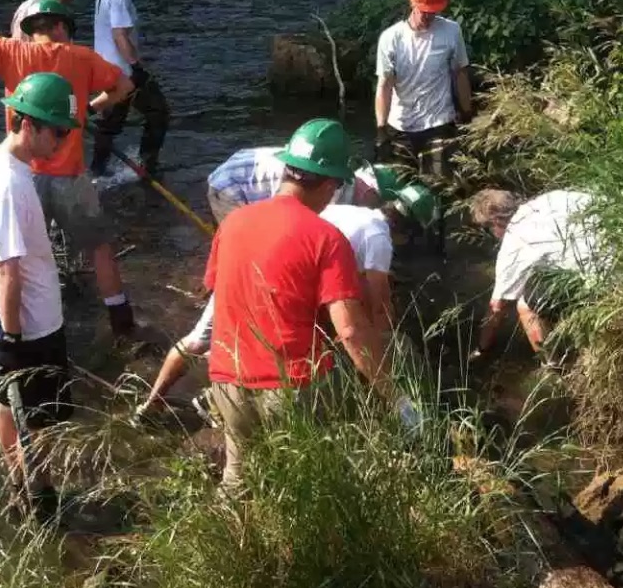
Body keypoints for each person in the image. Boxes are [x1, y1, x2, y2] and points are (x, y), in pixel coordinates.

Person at [197, 118, 408, 489]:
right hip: (292, 390)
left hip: (226, 381)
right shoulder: (326, 238)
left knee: (238, 480)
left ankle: (237, 541)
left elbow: (218, 289)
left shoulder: (232, 223)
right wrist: (395, 396)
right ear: (329, 184)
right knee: (311, 480)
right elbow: (351, 330)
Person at [136, 178, 438, 417]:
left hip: (250, 265)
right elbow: (379, 308)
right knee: (279, 353)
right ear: (406, 230)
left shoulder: (350, 212)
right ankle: (213, 401)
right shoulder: (378, 238)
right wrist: (385, 361)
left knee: (200, 340)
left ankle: (152, 403)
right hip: (282, 282)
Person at [0, 0, 144, 342]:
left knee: (16, 258)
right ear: (60, 26)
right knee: (99, 247)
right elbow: (124, 86)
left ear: (30, 29)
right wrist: (88, 110)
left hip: (25, 176)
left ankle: (14, 331)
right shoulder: (80, 57)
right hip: (71, 175)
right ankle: (121, 320)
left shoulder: (12, 52)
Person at [0, 72, 77, 516]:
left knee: (7, 403)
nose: (63, 140)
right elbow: (6, 271)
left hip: (20, 322)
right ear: (28, 123)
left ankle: (19, 484)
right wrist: (12, 343)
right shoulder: (9, 185)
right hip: (31, 326)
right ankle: (40, 494)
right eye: (58, 131)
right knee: (45, 417)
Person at [374, 0, 473, 253]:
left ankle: (436, 246)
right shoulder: (391, 38)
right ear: (412, 3)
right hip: (401, 127)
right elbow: (385, 85)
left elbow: (460, 74)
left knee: (438, 190)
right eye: (423, 10)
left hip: (439, 123)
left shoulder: (451, 31)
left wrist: (466, 113)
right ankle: (402, 249)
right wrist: (381, 129)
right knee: (398, 194)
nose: (428, 15)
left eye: (433, 10)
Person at [468, 188, 601, 359]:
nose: (493, 235)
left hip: (596, 286)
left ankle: (555, 366)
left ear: (496, 221)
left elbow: (497, 307)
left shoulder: (513, 241)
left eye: (488, 229)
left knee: (524, 304)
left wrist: (482, 348)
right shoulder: (551, 198)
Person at [90, 0, 171, 177]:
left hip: (109, 70)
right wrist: (136, 68)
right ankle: (147, 166)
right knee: (158, 112)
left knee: (110, 125)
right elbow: (119, 35)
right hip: (122, 72)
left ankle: (97, 172)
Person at [205, 147, 408, 225]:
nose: (375, 208)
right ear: (372, 191)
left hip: (244, 164)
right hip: (231, 185)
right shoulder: (336, 194)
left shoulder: (338, 166)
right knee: (243, 244)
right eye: (378, 202)